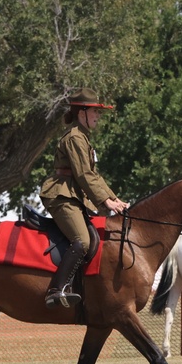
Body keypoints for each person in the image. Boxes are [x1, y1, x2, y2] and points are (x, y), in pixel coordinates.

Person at [39, 88, 130, 308]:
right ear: (82, 113)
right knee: (82, 241)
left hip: (73, 196)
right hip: (61, 195)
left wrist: (114, 199)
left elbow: (93, 176)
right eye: (95, 112)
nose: (98, 116)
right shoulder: (74, 138)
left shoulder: (83, 137)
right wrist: (105, 202)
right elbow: (84, 175)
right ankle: (55, 290)